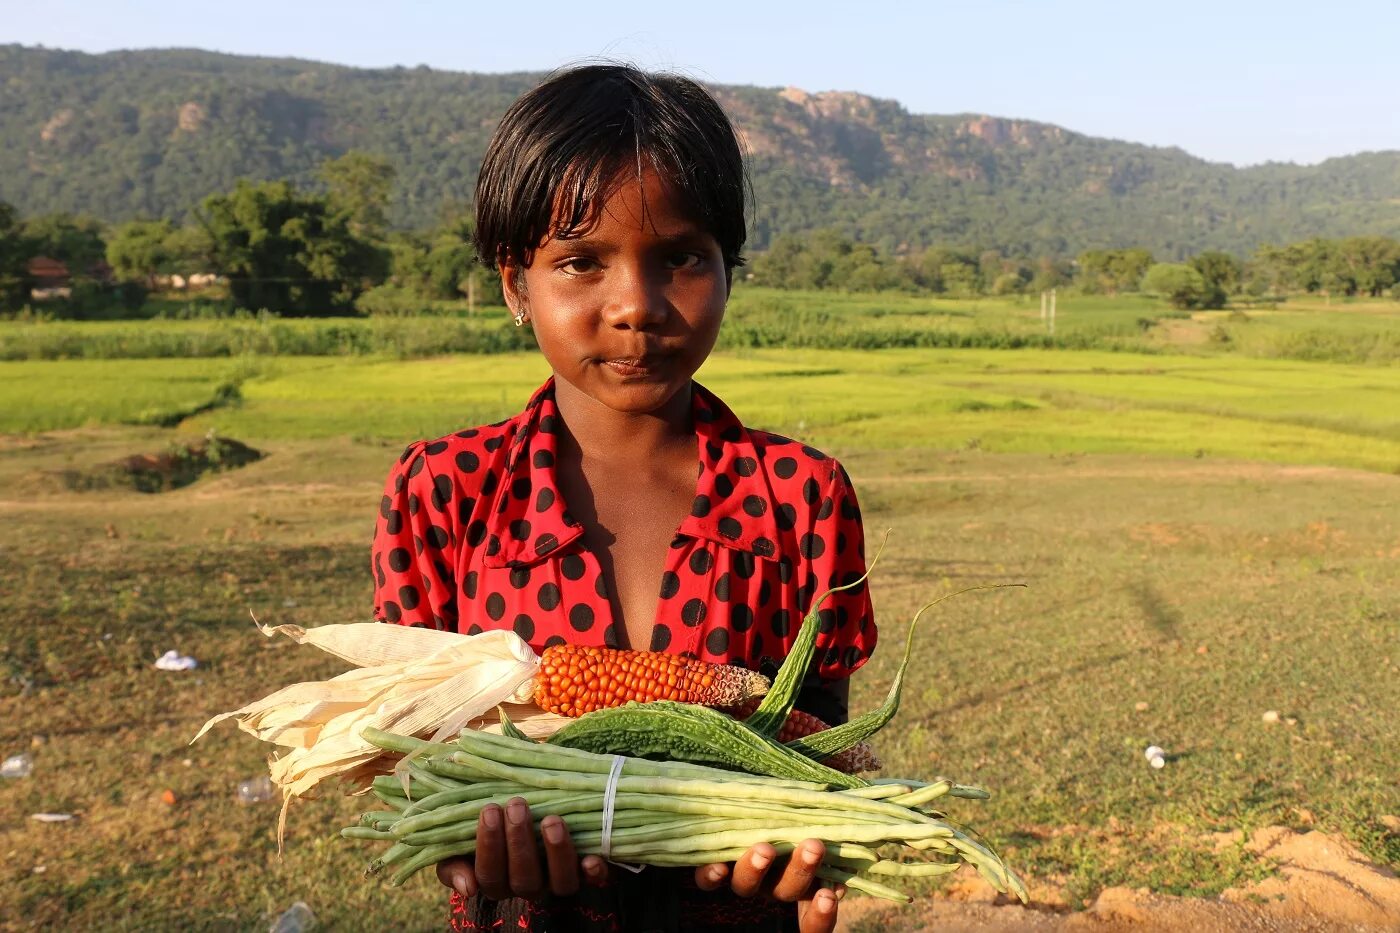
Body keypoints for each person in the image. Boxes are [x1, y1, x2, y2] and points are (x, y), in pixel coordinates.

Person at [371, 64, 877, 933]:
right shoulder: (442, 494)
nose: (635, 307)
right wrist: (464, 847)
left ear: (729, 267)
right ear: (513, 283)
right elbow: (413, 755)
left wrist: (807, 841)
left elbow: (817, 734)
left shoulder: (803, 496)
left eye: (680, 257)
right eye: (579, 263)